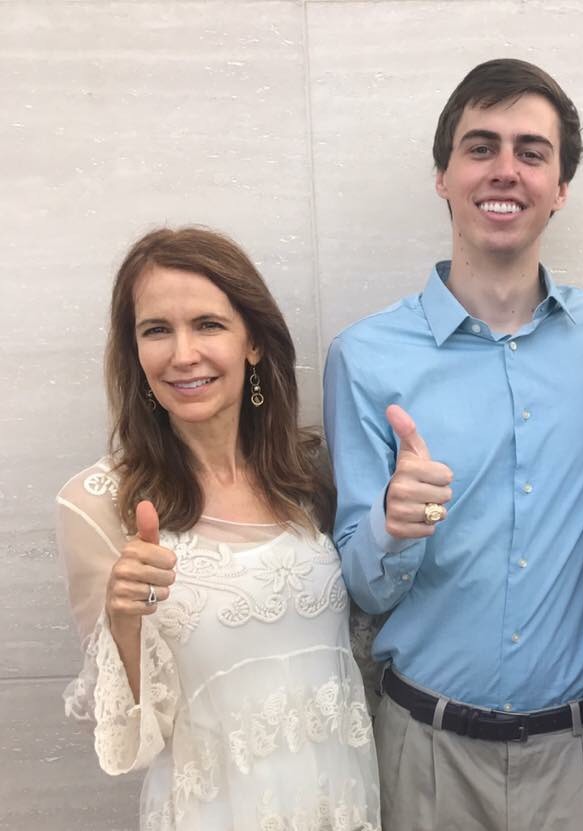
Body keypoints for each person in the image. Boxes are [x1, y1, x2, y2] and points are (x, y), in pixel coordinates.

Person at [323, 58, 583, 830]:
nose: (506, 169)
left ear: (561, 186)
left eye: (532, 152)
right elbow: (364, 591)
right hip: (427, 757)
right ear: (443, 174)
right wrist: (390, 528)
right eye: (481, 146)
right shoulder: (365, 357)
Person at [57, 228, 380, 830]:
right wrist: (123, 618)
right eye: (157, 330)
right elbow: (127, 744)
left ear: (253, 340)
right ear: (134, 351)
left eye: (207, 324)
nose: (183, 354)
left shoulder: (311, 475)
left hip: (341, 804)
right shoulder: (99, 503)